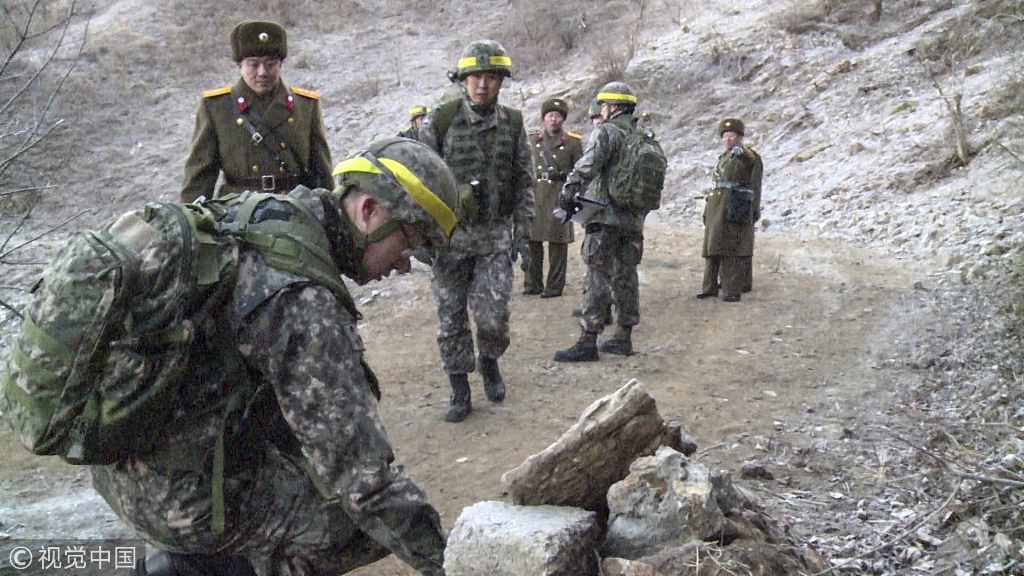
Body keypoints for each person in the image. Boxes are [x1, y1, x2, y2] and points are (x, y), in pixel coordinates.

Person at [89, 139, 457, 575]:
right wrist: (452, 563)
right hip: (173, 495)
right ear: (369, 210)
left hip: (124, 462)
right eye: (410, 244)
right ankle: (195, 567)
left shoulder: (275, 217)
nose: (403, 265)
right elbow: (365, 483)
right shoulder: (303, 300)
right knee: (356, 526)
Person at [419, 39, 534, 422]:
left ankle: (489, 360)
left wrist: (524, 230)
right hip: (449, 239)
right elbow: (418, 179)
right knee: (450, 317)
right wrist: (420, 236)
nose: (482, 85)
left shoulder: (512, 123)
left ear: (500, 81)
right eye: (475, 77)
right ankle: (459, 387)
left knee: (493, 315)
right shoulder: (441, 119)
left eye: (490, 77)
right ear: (463, 79)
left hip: (494, 236)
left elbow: (524, 180)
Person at [180, 20, 332, 203]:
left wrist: (330, 210)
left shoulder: (305, 105)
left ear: (280, 64)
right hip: (238, 209)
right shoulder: (217, 107)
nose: (262, 72)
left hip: (294, 206)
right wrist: (191, 215)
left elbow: (321, 171)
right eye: (253, 64)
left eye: (270, 64)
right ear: (240, 65)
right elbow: (200, 175)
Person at [554, 81, 650, 362]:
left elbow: (589, 164)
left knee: (596, 274)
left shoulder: (607, 131)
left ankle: (588, 340)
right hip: (632, 217)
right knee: (626, 274)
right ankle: (623, 336)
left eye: (604, 105)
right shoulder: (643, 135)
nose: (602, 110)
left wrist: (568, 190)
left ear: (614, 106)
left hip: (605, 216)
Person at [697, 118, 763, 302]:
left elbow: (752, 174)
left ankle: (731, 289)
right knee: (712, 249)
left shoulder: (746, 155)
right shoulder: (724, 157)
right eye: (725, 136)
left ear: (740, 137)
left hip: (734, 206)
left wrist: (753, 208)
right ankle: (709, 287)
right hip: (717, 206)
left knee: (731, 249)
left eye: (732, 136)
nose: (728, 139)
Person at [524, 97, 583, 298]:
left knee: (558, 243)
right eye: (550, 115)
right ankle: (532, 283)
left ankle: (555, 286)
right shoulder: (533, 140)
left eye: (557, 116)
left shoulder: (573, 142)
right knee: (532, 240)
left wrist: (573, 196)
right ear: (544, 118)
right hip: (536, 193)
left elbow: (579, 171)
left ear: (563, 119)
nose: (553, 119)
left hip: (560, 194)